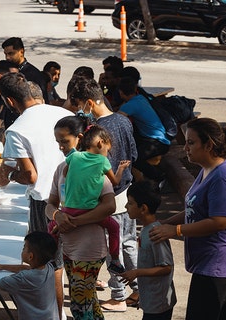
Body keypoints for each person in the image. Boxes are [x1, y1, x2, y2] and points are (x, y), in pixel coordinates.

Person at [149, 117, 226, 319]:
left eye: (191, 143)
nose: (185, 148)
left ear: (208, 145)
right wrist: (166, 224)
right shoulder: (206, 170)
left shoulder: (222, 177)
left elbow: (219, 221)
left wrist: (176, 231)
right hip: (207, 261)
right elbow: (195, 210)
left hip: (217, 263)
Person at [68, 77, 139, 312]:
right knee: (128, 243)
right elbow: (134, 155)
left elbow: (95, 169)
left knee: (112, 247)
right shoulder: (123, 120)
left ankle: (118, 295)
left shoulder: (97, 132)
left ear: (89, 102)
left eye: (79, 104)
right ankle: (140, 291)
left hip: (109, 195)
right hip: (126, 190)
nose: (79, 110)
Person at [46, 115, 117, 320]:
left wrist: (75, 221)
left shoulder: (97, 169)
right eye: (58, 142)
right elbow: (49, 205)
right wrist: (57, 215)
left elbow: (109, 206)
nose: (60, 147)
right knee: (88, 302)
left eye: (64, 142)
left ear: (79, 138)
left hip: (89, 249)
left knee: (80, 305)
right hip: (68, 247)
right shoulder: (61, 169)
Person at [0, 72, 73, 235]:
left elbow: (30, 176)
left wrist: (9, 177)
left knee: (44, 255)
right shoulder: (66, 114)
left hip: (45, 204)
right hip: (76, 198)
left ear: (9, 101)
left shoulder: (16, 130)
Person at [46, 124, 130, 268]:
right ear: (100, 143)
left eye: (64, 142)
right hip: (88, 212)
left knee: (51, 228)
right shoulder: (102, 163)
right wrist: (121, 169)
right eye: (108, 150)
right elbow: (115, 182)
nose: (60, 147)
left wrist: (62, 218)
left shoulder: (73, 158)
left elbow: (66, 174)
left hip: (70, 215)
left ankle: (52, 257)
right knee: (114, 227)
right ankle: (115, 259)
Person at [122, 179, 176, 320]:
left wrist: (137, 272)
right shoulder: (146, 230)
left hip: (159, 304)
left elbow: (166, 268)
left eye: (130, 203)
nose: (126, 206)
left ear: (143, 208)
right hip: (151, 301)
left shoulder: (155, 233)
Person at [0, 231, 60, 320]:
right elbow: (27, 268)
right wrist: (1, 266)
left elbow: (1, 284)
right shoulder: (49, 267)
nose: (22, 249)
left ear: (30, 256)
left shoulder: (23, 278)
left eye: (24, 247)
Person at [117, 76, 170, 182]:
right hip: (160, 138)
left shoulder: (129, 105)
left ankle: (159, 177)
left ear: (121, 93)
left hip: (157, 142)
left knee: (134, 159)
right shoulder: (140, 98)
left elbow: (116, 120)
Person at [2, 37, 48, 102]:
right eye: (5, 54)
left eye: (11, 53)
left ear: (21, 52)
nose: (7, 57)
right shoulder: (7, 71)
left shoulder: (34, 75)